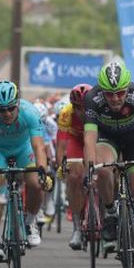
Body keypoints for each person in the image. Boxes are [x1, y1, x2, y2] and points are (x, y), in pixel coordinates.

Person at [83, 62, 134, 268]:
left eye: (120, 93)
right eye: (110, 94)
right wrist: (90, 168)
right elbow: (89, 138)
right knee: (104, 169)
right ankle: (110, 211)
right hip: (106, 140)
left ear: (127, 89)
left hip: (133, 141)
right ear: (102, 91)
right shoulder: (92, 98)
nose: (115, 98)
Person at [0, 81, 53, 261]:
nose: (7, 113)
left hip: (23, 148)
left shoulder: (30, 112)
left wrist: (43, 172)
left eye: (10, 108)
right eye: (1, 110)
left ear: (17, 103)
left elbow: (38, 146)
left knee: (35, 182)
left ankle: (29, 222)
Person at [56, 83, 92, 249]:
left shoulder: (100, 110)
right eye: (78, 107)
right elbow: (62, 146)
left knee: (104, 171)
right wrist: (62, 166)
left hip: (94, 140)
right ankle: (77, 227)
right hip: (76, 142)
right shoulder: (66, 113)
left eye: (86, 107)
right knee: (73, 176)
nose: (82, 112)